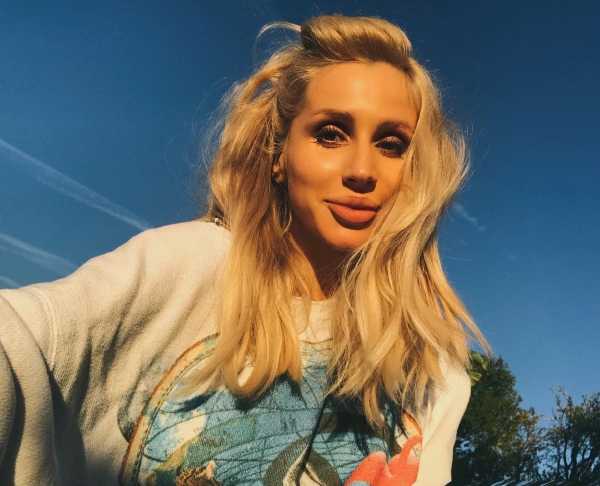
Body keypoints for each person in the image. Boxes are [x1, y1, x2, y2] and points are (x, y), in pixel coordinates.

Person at [0, 14, 490, 486]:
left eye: (391, 144)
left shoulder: (433, 375)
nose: (362, 170)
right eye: (330, 134)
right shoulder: (193, 265)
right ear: (279, 155)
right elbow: (22, 341)